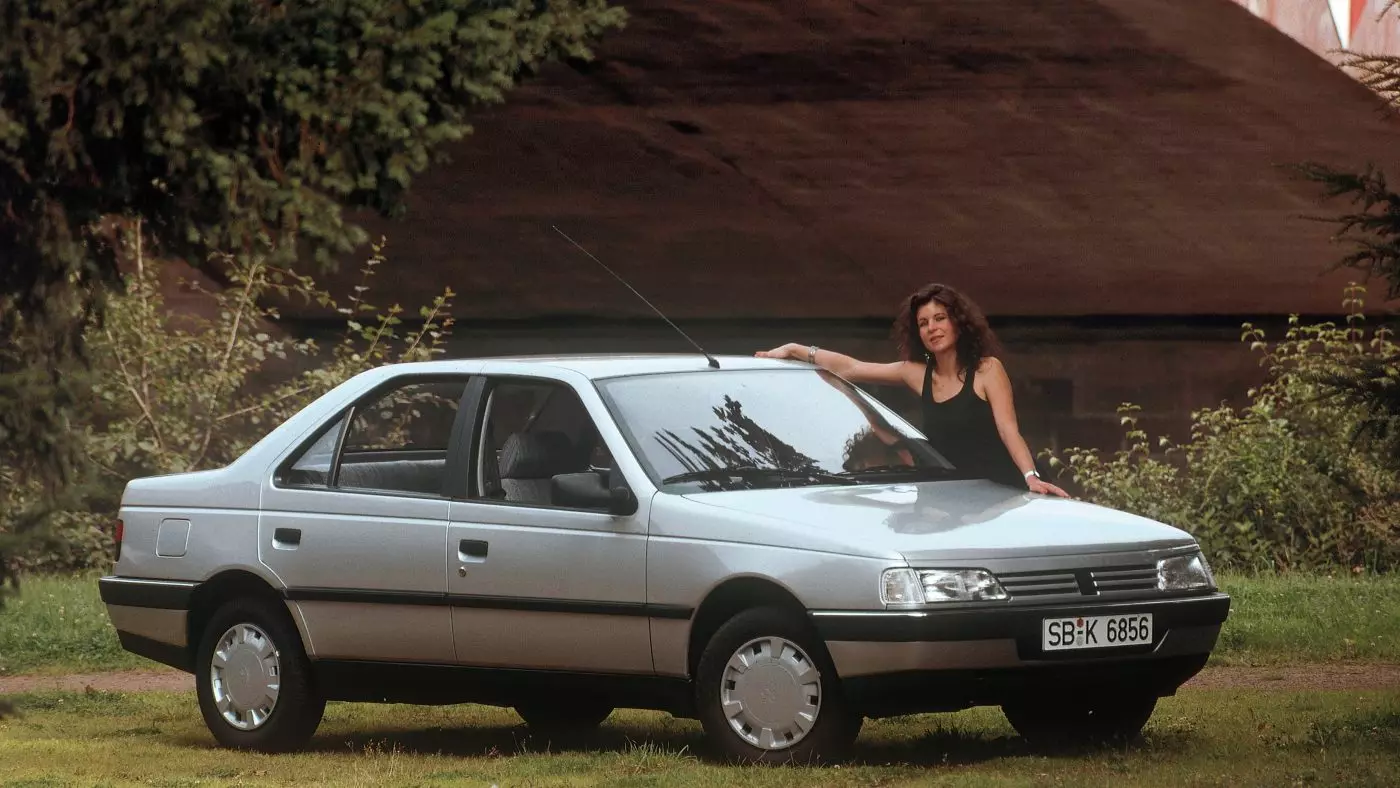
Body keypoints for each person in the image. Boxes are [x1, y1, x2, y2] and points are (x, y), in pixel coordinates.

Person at [757, 283, 1070, 497]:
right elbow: (850, 368)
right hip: (960, 496)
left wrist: (1030, 477)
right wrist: (796, 349)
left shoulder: (987, 369)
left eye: (939, 318)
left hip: (1010, 486)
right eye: (923, 323)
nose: (931, 328)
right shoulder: (914, 374)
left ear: (958, 323)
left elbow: (1009, 430)